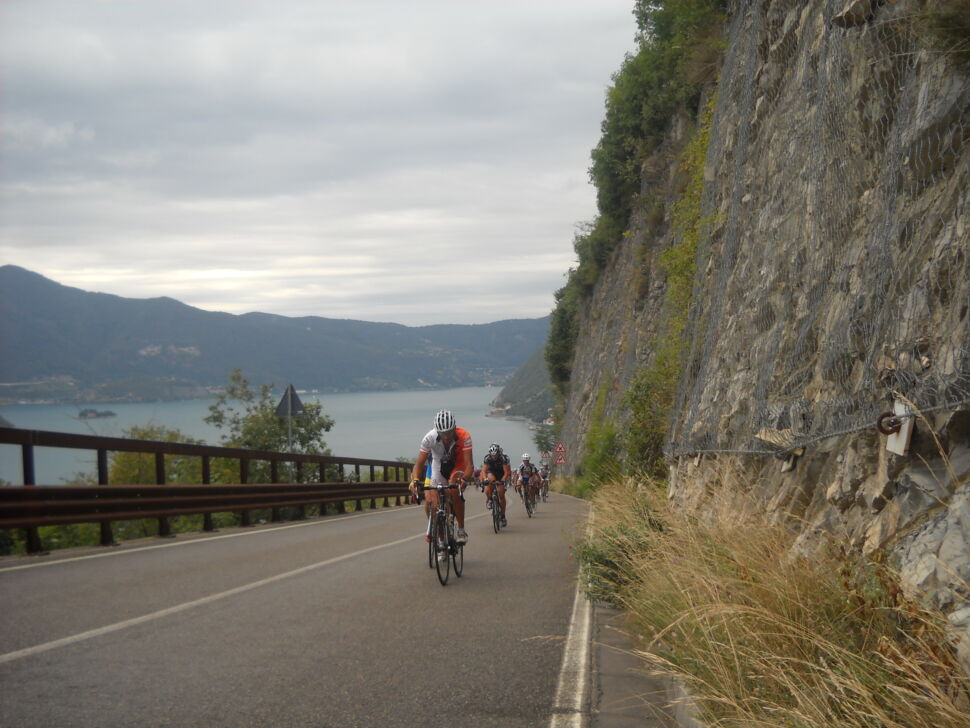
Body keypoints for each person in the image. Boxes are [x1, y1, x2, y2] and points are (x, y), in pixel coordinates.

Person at [409, 410, 473, 544]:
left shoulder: (465, 436)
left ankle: (461, 529)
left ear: (454, 428)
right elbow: (419, 464)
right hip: (438, 463)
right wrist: (415, 480)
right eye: (443, 433)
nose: (446, 436)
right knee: (434, 503)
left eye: (449, 432)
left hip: (457, 462)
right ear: (437, 431)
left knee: (455, 489)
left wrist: (464, 479)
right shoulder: (429, 438)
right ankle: (441, 539)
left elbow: (469, 465)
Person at [481, 442, 511, 527]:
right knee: (488, 487)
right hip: (492, 472)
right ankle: (490, 499)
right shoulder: (487, 458)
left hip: (502, 473)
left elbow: (506, 472)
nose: (494, 457)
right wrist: (485, 479)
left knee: (501, 494)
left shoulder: (504, 458)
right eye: (492, 455)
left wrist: (503, 481)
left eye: (496, 455)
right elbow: (483, 471)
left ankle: (503, 516)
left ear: (499, 453)